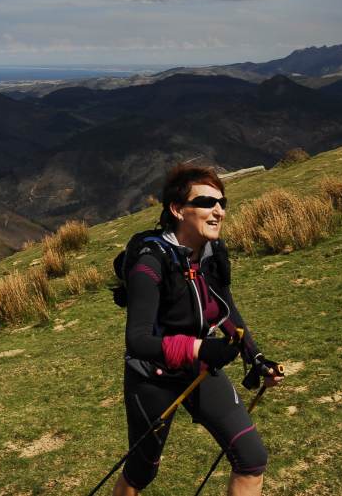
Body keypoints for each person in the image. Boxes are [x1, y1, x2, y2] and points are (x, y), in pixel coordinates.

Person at [113, 164, 283, 496]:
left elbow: (226, 308)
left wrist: (256, 357)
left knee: (252, 459)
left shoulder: (212, 253)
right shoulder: (151, 261)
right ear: (178, 210)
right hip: (152, 376)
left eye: (222, 203)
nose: (219, 210)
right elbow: (138, 341)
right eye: (206, 202)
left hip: (199, 370)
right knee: (141, 471)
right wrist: (201, 348)